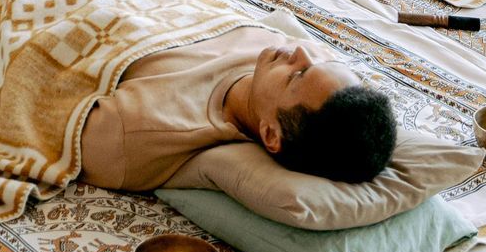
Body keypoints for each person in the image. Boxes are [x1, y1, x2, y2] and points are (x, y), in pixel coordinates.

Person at [80, 23, 398, 209]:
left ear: (271, 134)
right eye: (321, 63)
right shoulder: (295, 56)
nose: (301, 52)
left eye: (298, 75)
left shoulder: (138, 129)